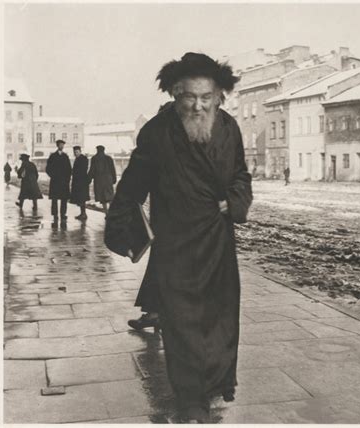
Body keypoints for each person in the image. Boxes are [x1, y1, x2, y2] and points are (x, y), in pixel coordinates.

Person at [104, 52, 252, 423]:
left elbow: (240, 176)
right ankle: (190, 399)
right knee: (182, 320)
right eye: (189, 96)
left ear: (219, 95)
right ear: (174, 93)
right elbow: (133, 184)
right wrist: (120, 224)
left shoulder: (230, 128)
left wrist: (232, 202)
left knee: (220, 315)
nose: (198, 105)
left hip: (218, 239)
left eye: (206, 97)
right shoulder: (156, 132)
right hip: (176, 240)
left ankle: (217, 379)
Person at [46, 140, 72, 225]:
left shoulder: (65, 156)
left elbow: (69, 169)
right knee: (54, 198)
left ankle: (63, 214)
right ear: (57, 145)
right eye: (60, 144)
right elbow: (48, 168)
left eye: (63, 145)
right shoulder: (53, 156)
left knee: (64, 198)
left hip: (64, 181)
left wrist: (68, 178)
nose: (62, 146)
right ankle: (55, 214)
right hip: (55, 181)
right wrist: (53, 176)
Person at [88, 145, 116, 213]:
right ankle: (112, 212)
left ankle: (106, 212)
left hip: (99, 181)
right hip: (108, 180)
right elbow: (113, 169)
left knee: (103, 198)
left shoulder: (94, 158)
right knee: (110, 197)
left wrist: (88, 179)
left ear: (97, 150)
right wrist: (114, 179)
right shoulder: (109, 158)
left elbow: (92, 170)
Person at [70, 146, 90, 220]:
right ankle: (82, 213)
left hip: (81, 182)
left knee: (82, 198)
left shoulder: (83, 159)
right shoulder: (78, 159)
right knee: (81, 198)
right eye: (75, 152)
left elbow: (82, 170)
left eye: (77, 152)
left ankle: (83, 214)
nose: (75, 153)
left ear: (80, 151)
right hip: (79, 181)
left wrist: (73, 172)